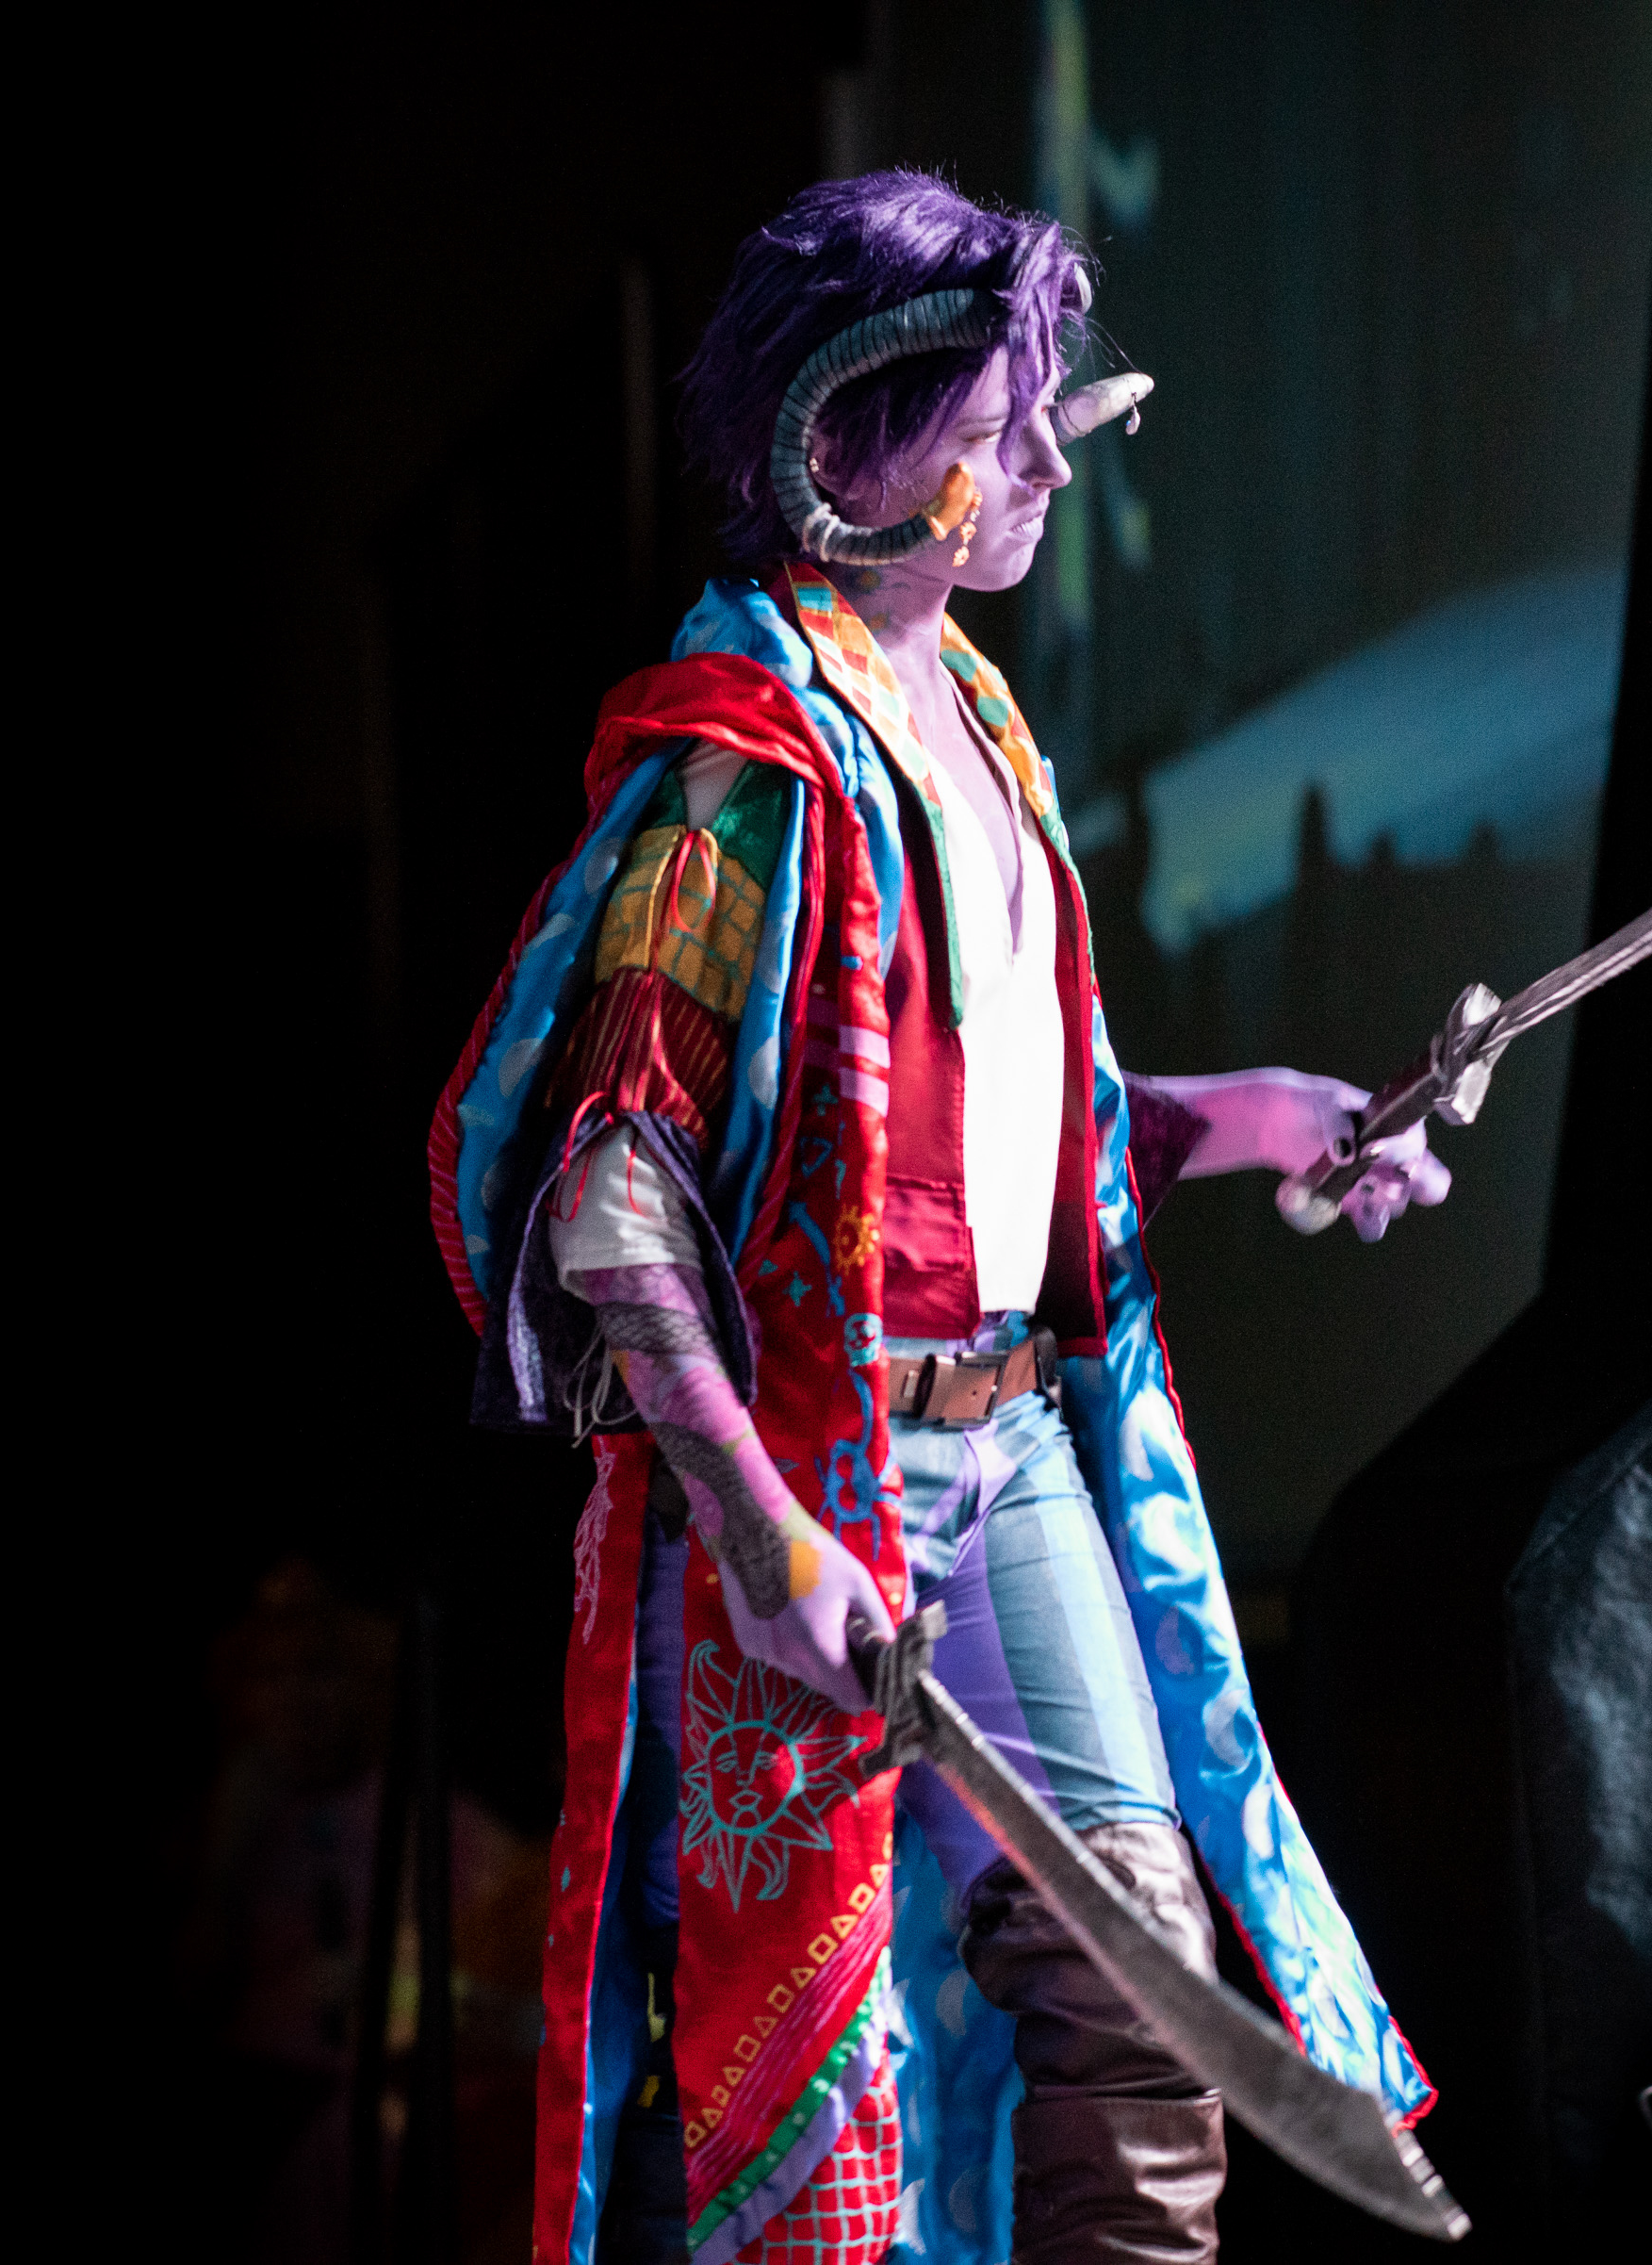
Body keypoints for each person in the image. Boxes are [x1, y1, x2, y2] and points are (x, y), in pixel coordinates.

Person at [433, 171, 1442, 2265]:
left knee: (1142, 1978)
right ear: (851, 447)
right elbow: (614, 1193)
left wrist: (1248, 1118)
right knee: (810, 2083)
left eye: (1042, 414)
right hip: (822, 1470)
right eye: (998, 424)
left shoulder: (972, 715)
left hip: (1011, 1448)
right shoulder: (744, 778)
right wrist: (754, 1519)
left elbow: (979, 1136)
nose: (1046, 463)